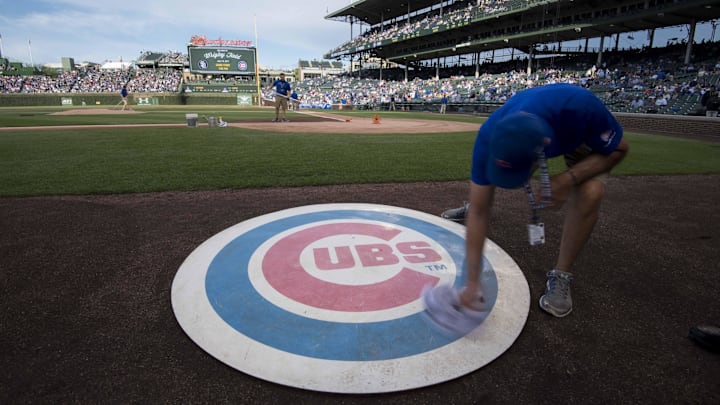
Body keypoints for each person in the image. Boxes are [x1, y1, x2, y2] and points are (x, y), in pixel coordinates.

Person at [441, 83, 629, 318]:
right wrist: (471, 284)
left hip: (578, 134)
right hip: (535, 132)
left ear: (543, 153)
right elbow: (480, 212)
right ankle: (470, 202)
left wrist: (568, 179)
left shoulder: (582, 109)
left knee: (591, 192)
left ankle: (562, 274)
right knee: (480, 201)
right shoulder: (489, 136)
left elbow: (619, 149)